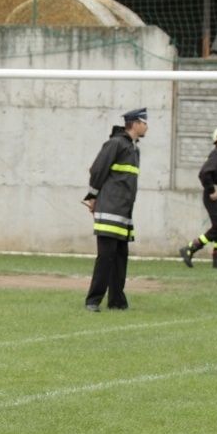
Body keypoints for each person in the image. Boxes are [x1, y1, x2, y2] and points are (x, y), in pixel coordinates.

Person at [83, 107, 148, 312]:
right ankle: (93, 301)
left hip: (123, 212)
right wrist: (93, 196)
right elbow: (97, 169)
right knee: (106, 257)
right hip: (110, 209)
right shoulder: (116, 144)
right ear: (135, 124)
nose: (146, 127)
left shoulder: (134, 149)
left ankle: (117, 301)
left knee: (120, 258)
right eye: (144, 123)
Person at [178, 125, 217, 269]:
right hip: (212, 197)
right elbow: (204, 173)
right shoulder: (216, 155)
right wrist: (211, 191)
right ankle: (190, 248)